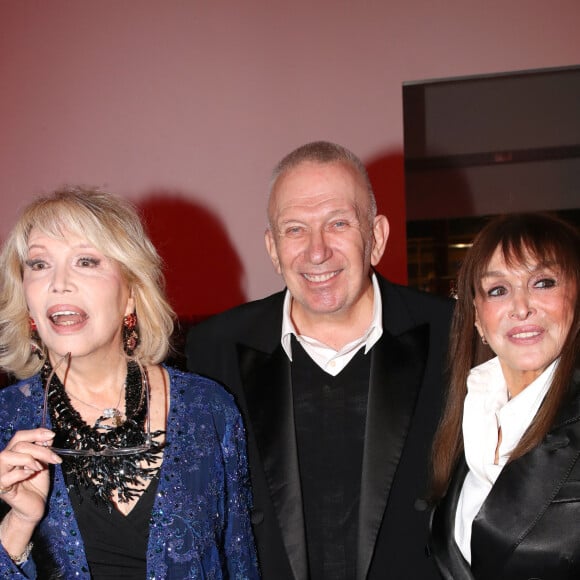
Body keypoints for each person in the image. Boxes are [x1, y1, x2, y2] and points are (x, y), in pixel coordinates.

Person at [186, 141, 454, 579]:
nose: (317, 251)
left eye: (338, 223)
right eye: (295, 230)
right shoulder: (213, 350)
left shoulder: (454, 336)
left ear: (377, 237)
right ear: (272, 249)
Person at [0, 188, 260, 579]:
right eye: (39, 264)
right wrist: (19, 522)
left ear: (131, 295)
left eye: (85, 261)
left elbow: (241, 565)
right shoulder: (6, 420)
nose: (59, 283)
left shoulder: (209, 409)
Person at [429, 213, 580, 579]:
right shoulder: (465, 415)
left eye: (543, 283)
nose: (521, 307)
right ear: (478, 317)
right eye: (498, 290)